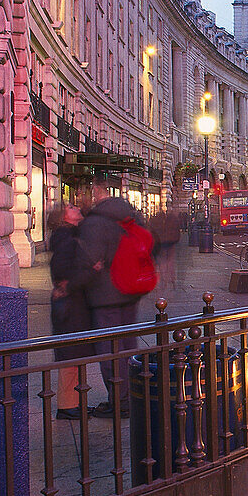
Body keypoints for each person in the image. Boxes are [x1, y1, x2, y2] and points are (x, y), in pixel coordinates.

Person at [76, 178, 146, 418]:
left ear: (96, 192)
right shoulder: (131, 215)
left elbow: (89, 261)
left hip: (106, 295)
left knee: (109, 350)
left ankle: (120, 401)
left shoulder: (94, 222)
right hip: (131, 290)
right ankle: (134, 395)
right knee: (127, 346)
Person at [46, 203, 100, 420]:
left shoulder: (71, 235)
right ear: (64, 217)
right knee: (71, 356)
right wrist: (92, 270)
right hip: (71, 306)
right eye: (70, 207)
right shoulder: (65, 239)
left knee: (77, 357)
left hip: (75, 304)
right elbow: (61, 274)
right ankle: (67, 406)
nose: (76, 207)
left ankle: (74, 402)